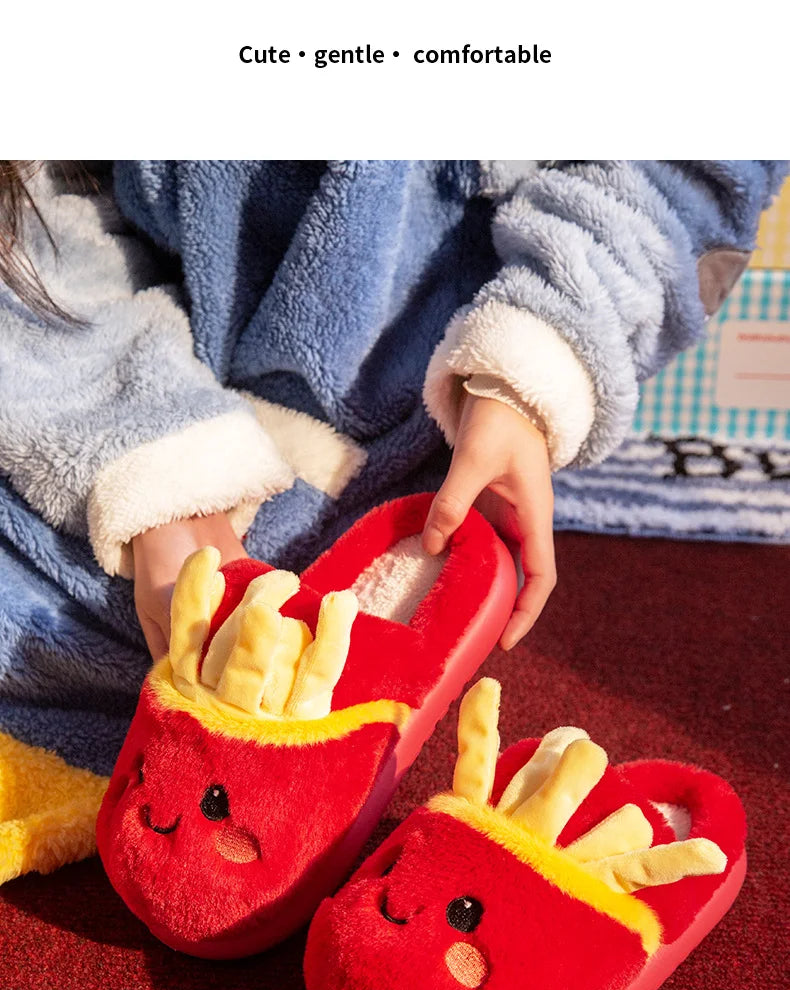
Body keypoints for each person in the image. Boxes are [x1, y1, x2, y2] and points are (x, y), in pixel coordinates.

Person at [0, 159, 784, 773]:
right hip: (121, 372)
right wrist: (157, 462)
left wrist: (533, 361)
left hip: (439, 420)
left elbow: (686, 171)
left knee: (225, 648)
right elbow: (43, 216)